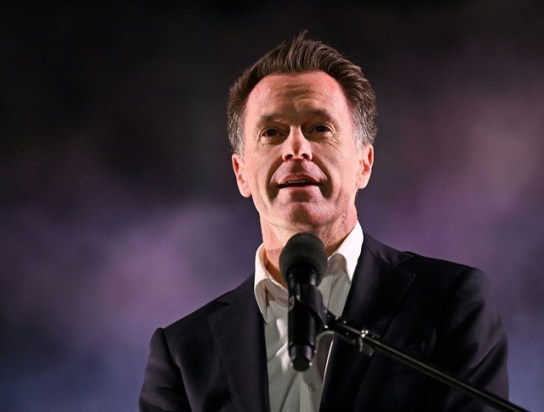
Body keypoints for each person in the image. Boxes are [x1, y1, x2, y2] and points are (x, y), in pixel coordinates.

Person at [139, 32, 509, 412]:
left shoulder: (449, 303)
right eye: (271, 133)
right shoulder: (182, 353)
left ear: (364, 164)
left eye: (319, 128)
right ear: (241, 174)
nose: (295, 149)